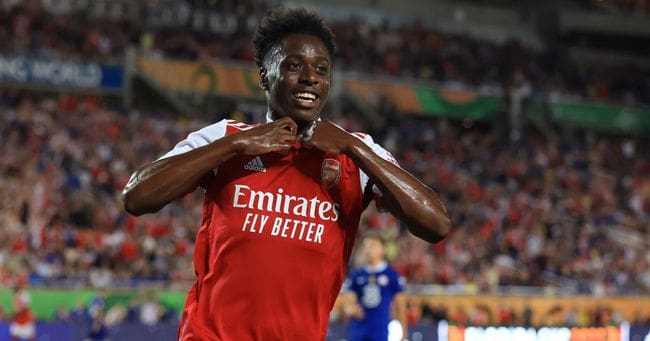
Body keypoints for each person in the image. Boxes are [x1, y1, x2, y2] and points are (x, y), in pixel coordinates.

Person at [122, 7, 450, 340]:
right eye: (294, 65)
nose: (310, 77)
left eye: (321, 69)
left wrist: (355, 149)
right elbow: (136, 196)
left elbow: (437, 225)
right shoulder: (226, 137)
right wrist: (236, 146)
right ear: (265, 76)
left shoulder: (357, 152)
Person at [342, 234, 407, 341]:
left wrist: (404, 334)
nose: (368, 249)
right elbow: (348, 303)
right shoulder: (357, 275)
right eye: (366, 246)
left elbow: (400, 306)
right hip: (358, 329)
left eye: (372, 245)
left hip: (381, 330)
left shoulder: (392, 275)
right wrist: (351, 310)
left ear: (382, 249)